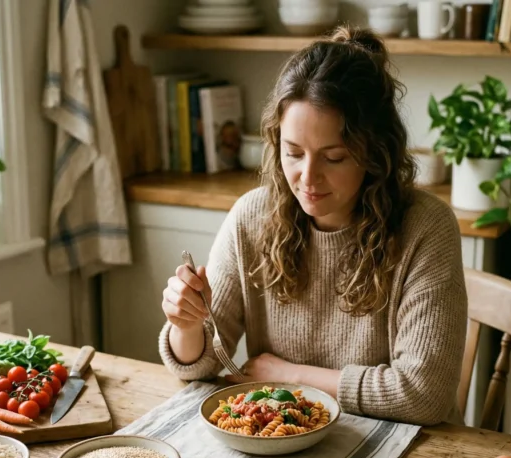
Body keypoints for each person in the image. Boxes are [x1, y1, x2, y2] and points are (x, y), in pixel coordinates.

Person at [157, 25, 468, 426]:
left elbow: (424, 396)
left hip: (406, 450)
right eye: (293, 153)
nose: (307, 176)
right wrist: (185, 326)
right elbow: (199, 366)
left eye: (334, 157)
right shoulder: (251, 217)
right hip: (284, 442)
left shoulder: (426, 227)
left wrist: (290, 376)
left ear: (375, 153)